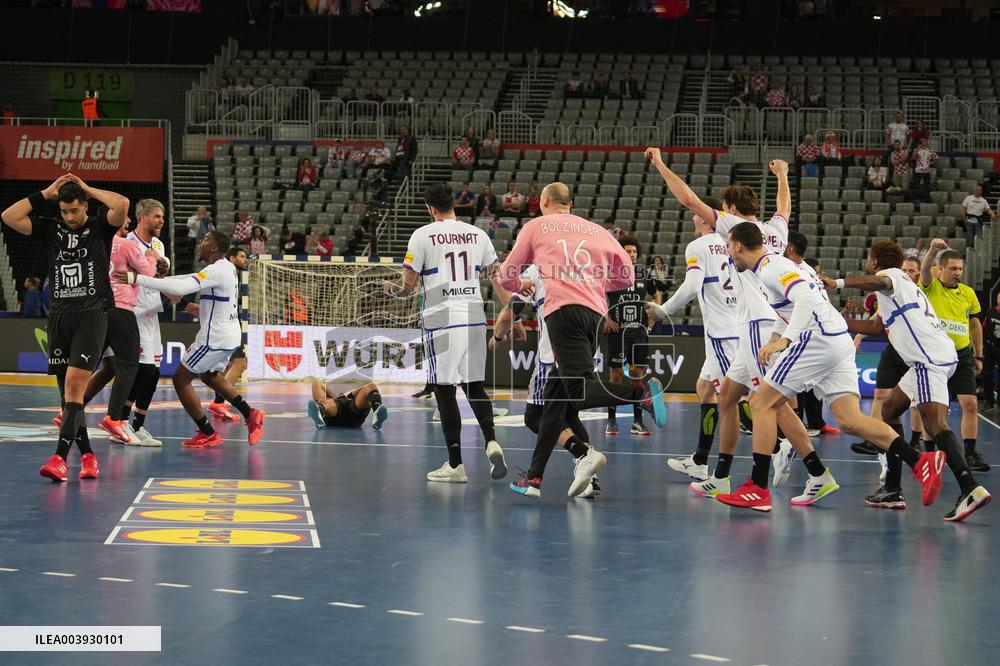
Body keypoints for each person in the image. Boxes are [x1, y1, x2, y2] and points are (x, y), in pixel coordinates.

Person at [647, 150, 835, 503]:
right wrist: (782, 175)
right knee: (727, 397)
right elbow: (784, 209)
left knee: (770, 403)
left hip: (755, 324)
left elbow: (688, 199)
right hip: (761, 322)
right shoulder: (774, 232)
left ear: (730, 209)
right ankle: (720, 476)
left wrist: (659, 165)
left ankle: (813, 471)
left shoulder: (734, 230)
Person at [496, 182, 667, 499]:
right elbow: (627, 277)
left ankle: (639, 392)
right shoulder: (598, 231)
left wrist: (518, 283)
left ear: (543, 201)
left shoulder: (536, 226)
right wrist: (598, 282)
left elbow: (505, 275)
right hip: (596, 316)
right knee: (557, 403)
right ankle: (534, 479)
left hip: (562, 312)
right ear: (571, 204)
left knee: (577, 393)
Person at [821, 241, 990, 521]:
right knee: (888, 412)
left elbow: (879, 280)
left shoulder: (893, 277)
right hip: (933, 357)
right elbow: (876, 327)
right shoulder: (896, 293)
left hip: (927, 359)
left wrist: (836, 282)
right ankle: (892, 489)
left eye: (868, 258)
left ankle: (969, 487)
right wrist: (836, 320)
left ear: (875, 261)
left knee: (935, 424)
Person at [2, 174, 129, 482]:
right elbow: (8, 216)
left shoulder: (100, 227)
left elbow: (122, 204)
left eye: (75, 210)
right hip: (60, 316)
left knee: (74, 387)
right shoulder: (51, 229)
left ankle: (59, 458)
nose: (70, 217)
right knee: (68, 397)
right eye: (65, 212)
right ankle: (87, 457)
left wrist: (88, 189)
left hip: (92, 314)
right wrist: (44, 194)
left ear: (85, 206)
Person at [383, 183, 508, 483]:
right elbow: (498, 277)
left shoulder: (421, 235)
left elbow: (409, 287)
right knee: (475, 385)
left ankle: (455, 465)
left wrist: (392, 289)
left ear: (430, 208)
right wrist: (510, 310)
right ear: (453, 205)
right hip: (475, 315)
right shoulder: (478, 234)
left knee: (444, 389)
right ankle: (491, 439)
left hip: (442, 316)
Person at [114, 231, 266, 449]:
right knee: (210, 376)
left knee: (181, 379)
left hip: (214, 337)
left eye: (204, 241)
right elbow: (187, 283)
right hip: (228, 334)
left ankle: (208, 433)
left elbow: (182, 287)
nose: (200, 244)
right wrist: (162, 282)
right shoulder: (225, 268)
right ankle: (250, 413)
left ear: (214, 248)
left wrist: (136, 278)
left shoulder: (217, 269)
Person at [490, 265, 602, 498]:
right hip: (583, 351)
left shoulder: (538, 269)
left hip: (552, 356)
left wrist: (498, 337)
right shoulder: (582, 267)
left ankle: (583, 455)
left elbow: (509, 312)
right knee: (569, 416)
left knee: (535, 417)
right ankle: (591, 480)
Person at [649, 196, 740, 479]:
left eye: (694, 213)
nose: (691, 218)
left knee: (738, 398)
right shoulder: (731, 241)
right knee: (705, 388)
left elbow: (691, 286)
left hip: (723, 332)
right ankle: (700, 461)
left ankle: (779, 447)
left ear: (704, 216)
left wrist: (661, 311)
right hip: (734, 325)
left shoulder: (698, 246)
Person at [80, 220, 158, 447]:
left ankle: (68, 411)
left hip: (95, 309)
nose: (129, 222)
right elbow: (149, 273)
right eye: (124, 219)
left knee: (89, 364)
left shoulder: (91, 243)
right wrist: (152, 257)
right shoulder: (125, 245)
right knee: (129, 364)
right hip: (121, 308)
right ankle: (114, 418)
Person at [919, 238, 988, 471]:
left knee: (970, 405)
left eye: (960, 269)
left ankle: (970, 453)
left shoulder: (968, 293)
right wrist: (931, 251)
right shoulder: (931, 286)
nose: (957, 272)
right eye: (953, 268)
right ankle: (930, 454)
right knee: (935, 408)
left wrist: (979, 356)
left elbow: (975, 325)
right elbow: (925, 271)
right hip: (935, 358)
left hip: (961, 356)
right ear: (941, 269)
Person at [122, 199, 171, 445]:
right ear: (143, 217)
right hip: (134, 312)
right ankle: (120, 424)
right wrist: (151, 265)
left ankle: (138, 426)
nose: (161, 221)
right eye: (157, 216)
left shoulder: (159, 244)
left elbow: (161, 273)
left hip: (153, 314)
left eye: (162, 217)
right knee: (143, 371)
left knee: (153, 374)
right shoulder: (128, 243)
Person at [784, 233, 840, 437]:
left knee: (769, 395)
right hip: (829, 335)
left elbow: (805, 302)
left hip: (810, 336)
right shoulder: (806, 269)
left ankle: (798, 429)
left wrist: (784, 337)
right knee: (850, 420)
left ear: (789, 248)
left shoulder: (790, 270)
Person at [604, 236, 658, 437]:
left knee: (637, 377)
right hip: (618, 334)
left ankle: (637, 421)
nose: (631, 254)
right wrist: (607, 316)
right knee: (615, 377)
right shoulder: (611, 272)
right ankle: (611, 420)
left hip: (639, 334)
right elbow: (599, 294)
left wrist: (653, 317)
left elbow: (656, 295)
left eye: (634, 251)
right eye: (627, 251)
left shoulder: (644, 272)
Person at [194, 246, 251, 422]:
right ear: (231, 258)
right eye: (241, 256)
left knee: (230, 367)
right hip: (223, 330)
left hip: (227, 327)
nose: (245, 259)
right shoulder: (223, 272)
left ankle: (219, 402)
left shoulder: (233, 274)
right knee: (238, 364)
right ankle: (218, 403)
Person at [307, 378, 388, 430]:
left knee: (370, 385)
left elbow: (358, 390)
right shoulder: (333, 384)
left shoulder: (360, 381)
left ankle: (377, 412)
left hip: (354, 408)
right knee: (316, 384)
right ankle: (319, 411)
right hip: (337, 408)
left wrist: (346, 395)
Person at [983, 291, 1000, 414]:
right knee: (986, 374)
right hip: (990, 347)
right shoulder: (990, 312)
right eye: (999, 297)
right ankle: (989, 401)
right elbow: (982, 328)